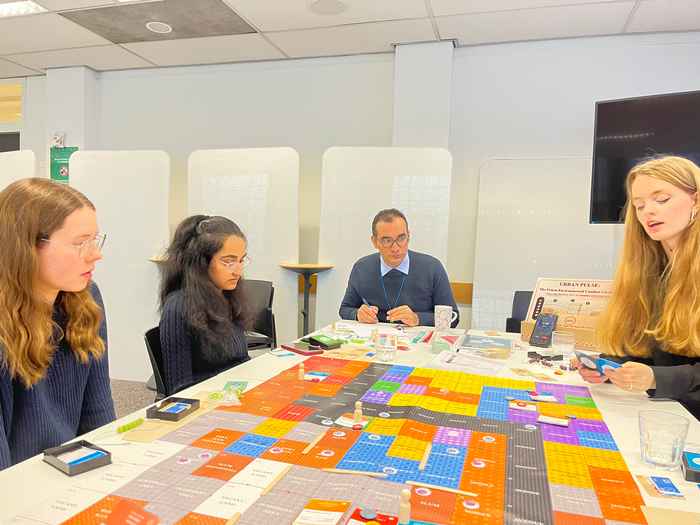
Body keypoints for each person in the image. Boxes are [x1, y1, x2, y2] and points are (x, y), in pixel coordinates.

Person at [0, 178, 115, 470]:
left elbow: (99, 417)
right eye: (80, 243)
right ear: (26, 247)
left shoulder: (87, 298)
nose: (96, 254)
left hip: (69, 472)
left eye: (95, 240)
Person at [576, 156, 700, 419]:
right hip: (669, 415)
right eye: (639, 205)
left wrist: (655, 378)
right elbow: (654, 355)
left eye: (662, 199)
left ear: (696, 200)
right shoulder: (653, 274)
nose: (648, 212)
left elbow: (662, 371)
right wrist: (611, 367)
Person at [159, 215, 251, 394]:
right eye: (228, 261)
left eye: (241, 260)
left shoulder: (227, 295)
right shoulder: (178, 307)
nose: (238, 271)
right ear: (201, 263)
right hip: (208, 402)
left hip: (234, 394)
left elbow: (239, 360)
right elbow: (180, 389)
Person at [339, 208, 459, 327]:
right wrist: (357, 314)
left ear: (408, 236)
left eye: (401, 238)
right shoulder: (362, 268)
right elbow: (345, 309)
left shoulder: (432, 267)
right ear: (374, 242)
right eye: (387, 240)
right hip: (375, 337)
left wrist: (417, 318)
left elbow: (453, 317)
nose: (395, 248)